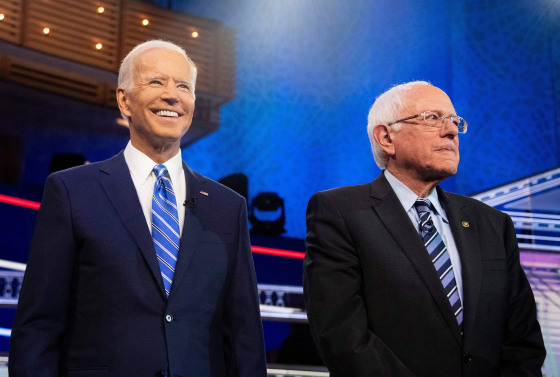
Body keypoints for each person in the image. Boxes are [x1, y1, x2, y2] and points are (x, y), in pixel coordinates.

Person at [9, 40, 267, 377]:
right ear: (124, 99)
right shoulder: (72, 191)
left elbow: (243, 333)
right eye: (157, 82)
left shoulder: (227, 207)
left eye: (183, 86)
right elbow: (38, 326)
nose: (172, 95)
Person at [303, 81, 546, 376]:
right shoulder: (340, 212)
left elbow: (523, 343)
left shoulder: (493, 223)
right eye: (432, 118)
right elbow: (343, 338)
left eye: (455, 121)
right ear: (386, 137)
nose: (452, 131)